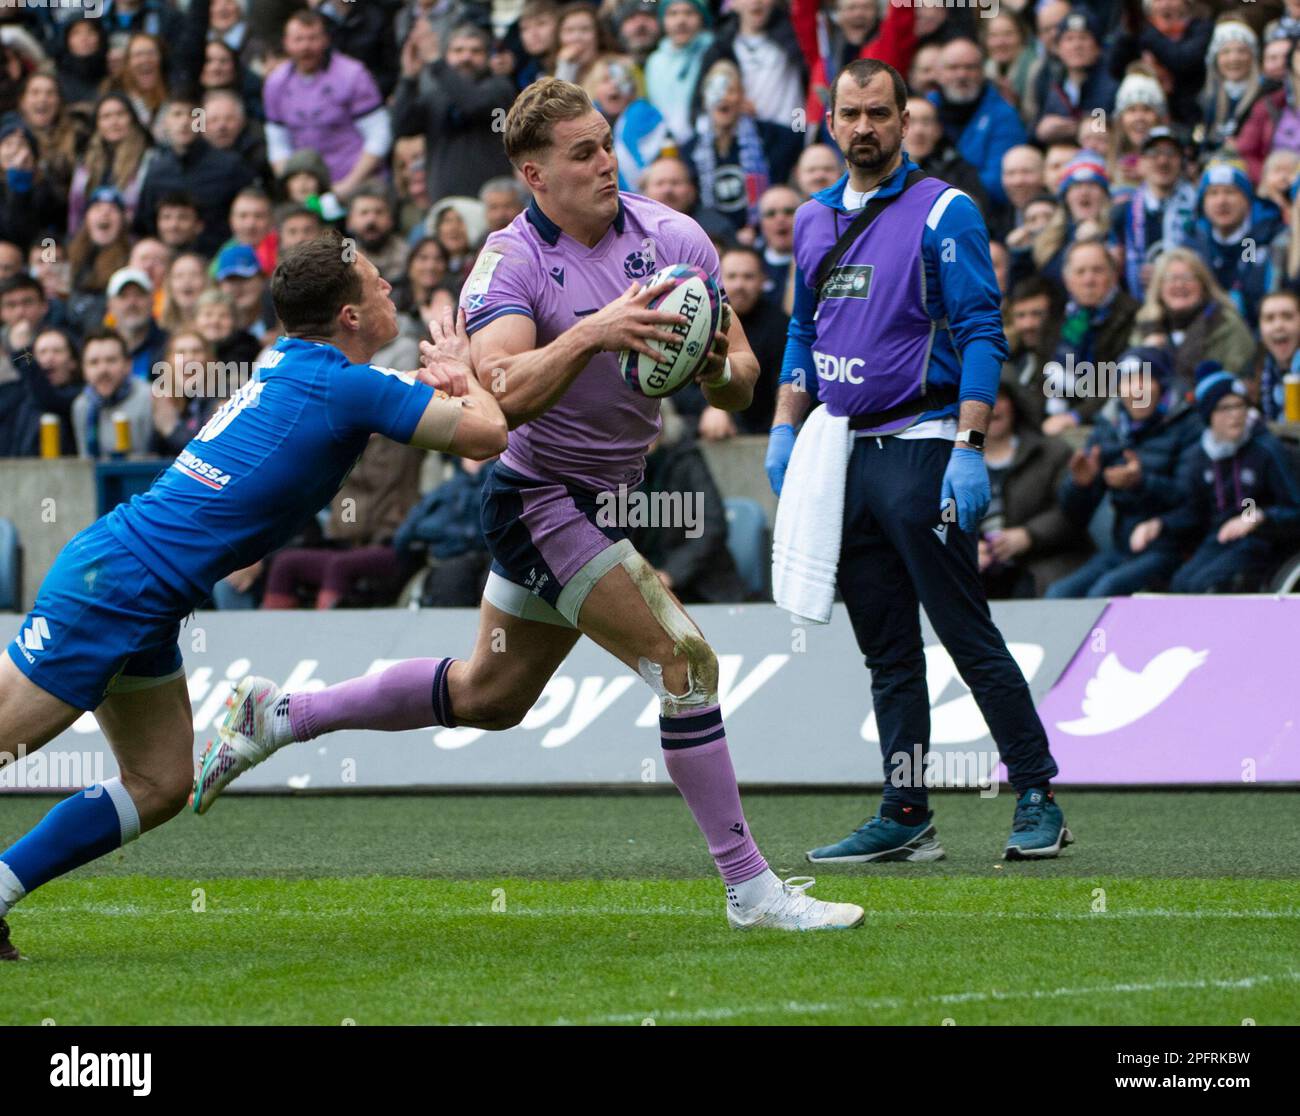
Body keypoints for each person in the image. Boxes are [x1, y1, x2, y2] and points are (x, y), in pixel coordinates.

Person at [199, 77, 864, 934]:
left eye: (606, 143)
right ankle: (751, 891)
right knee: (685, 664)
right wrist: (593, 332)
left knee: (489, 696)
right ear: (533, 173)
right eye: (581, 152)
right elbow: (499, 393)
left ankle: (277, 714)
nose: (604, 163)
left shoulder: (674, 236)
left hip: (611, 498)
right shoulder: (507, 263)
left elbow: (740, 377)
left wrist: (710, 368)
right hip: (537, 497)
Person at [0, 233, 508, 959]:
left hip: (139, 588)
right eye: (378, 283)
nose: (391, 289)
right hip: (116, 585)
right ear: (349, 315)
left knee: (161, 782)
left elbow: (378, 406)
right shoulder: (347, 386)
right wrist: (464, 372)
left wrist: (440, 384)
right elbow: (489, 433)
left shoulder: (297, 363)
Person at [767, 59, 1070, 864]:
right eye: (850, 114)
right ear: (830, 122)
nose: (863, 127)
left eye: (879, 112)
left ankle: (1038, 791)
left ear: (906, 120)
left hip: (926, 445)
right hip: (844, 454)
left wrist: (969, 449)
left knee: (965, 631)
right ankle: (907, 812)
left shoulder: (947, 211)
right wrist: (783, 427)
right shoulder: (810, 221)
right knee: (887, 650)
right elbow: (803, 333)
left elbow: (982, 333)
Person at [1045, 347, 1201, 598]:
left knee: (1104, 593)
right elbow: (1073, 513)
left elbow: (1194, 499)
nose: (1136, 389)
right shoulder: (1110, 426)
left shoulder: (1188, 425)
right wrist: (1080, 484)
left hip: (1172, 548)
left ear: (1161, 384)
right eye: (1127, 381)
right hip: (1122, 548)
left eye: (1144, 379)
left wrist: (1141, 483)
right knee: (1059, 594)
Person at [1130, 365, 1300, 592]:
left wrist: (1256, 517)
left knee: (1208, 585)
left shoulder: (1265, 449)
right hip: (1219, 538)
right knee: (1181, 584)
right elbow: (1194, 512)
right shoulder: (1201, 456)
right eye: (1225, 408)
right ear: (1209, 415)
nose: (1235, 414)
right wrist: (1159, 524)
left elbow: (1292, 507)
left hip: (1262, 540)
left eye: (1240, 405)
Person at [262, 9, 391, 204]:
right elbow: (278, 142)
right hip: (307, 191)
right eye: (299, 39)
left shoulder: (353, 74)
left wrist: (348, 186)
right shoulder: (275, 83)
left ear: (325, 40)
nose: (306, 46)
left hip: (356, 184)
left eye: (312, 38)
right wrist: (292, 185)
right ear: (286, 43)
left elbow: (379, 133)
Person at [978, 376, 1089, 599]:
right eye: (981, 400)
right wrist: (967, 547)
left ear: (1014, 403)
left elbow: (1072, 511)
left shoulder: (1052, 452)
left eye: (999, 398)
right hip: (982, 571)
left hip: (1045, 564)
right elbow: (943, 516)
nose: (992, 408)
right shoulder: (952, 464)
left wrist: (1029, 535)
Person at [392, 22, 517, 204]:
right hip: (443, 203)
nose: (466, 57)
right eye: (458, 51)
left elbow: (474, 105)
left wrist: (436, 63)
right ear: (447, 55)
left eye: (476, 51)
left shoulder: (500, 89)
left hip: (490, 206)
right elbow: (401, 127)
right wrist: (409, 78)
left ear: (488, 57)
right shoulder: (435, 96)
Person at [928, 38, 1026, 208]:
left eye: (970, 67)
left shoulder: (1004, 115)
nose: (962, 75)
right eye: (953, 68)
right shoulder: (924, 110)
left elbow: (997, 182)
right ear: (939, 73)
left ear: (982, 71)